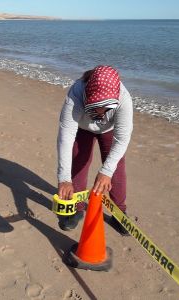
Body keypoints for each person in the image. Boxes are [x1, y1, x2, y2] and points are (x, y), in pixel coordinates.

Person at [57, 65, 133, 235]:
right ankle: (76, 209)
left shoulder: (124, 98)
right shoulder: (76, 93)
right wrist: (64, 179)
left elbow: (122, 138)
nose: (100, 111)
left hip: (108, 130)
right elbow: (66, 136)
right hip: (82, 128)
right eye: (95, 106)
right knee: (79, 161)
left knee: (116, 169)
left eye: (106, 107)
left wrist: (106, 170)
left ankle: (119, 213)